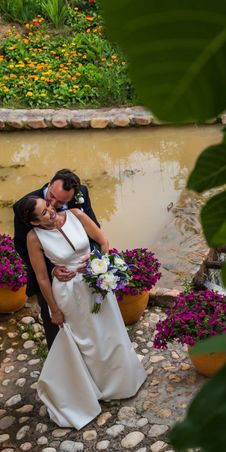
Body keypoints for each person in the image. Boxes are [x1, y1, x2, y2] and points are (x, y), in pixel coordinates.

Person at [18, 196, 146, 429]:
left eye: (49, 206)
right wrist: (54, 309)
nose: (52, 211)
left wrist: (100, 262)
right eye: (44, 213)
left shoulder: (76, 215)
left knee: (109, 332)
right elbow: (42, 277)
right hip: (68, 294)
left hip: (95, 284)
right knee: (87, 341)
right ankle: (93, 389)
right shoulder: (33, 238)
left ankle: (121, 383)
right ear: (34, 223)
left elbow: (103, 241)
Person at [13, 169, 99, 350]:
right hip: (52, 276)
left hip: (85, 272)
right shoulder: (26, 205)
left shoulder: (81, 194)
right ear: (50, 183)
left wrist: (94, 258)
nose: (54, 205)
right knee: (56, 324)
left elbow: (95, 229)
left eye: (61, 202)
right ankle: (64, 362)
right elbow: (22, 247)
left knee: (93, 319)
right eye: (51, 197)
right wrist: (52, 267)